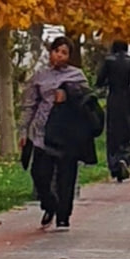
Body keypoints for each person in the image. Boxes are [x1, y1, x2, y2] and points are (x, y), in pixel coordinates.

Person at [20, 36, 90, 229]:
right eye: (56, 51)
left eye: (64, 52)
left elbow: (87, 102)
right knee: (39, 173)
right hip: (42, 132)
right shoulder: (40, 76)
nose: (59, 55)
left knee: (66, 176)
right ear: (51, 52)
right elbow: (29, 105)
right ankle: (49, 204)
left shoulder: (77, 76)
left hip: (67, 133)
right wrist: (24, 131)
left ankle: (63, 215)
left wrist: (69, 94)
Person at [95, 41, 130, 182]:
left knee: (113, 132)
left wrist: (106, 84)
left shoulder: (108, 61)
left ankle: (114, 163)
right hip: (129, 98)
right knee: (129, 129)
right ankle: (126, 157)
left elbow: (99, 81)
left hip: (114, 98)